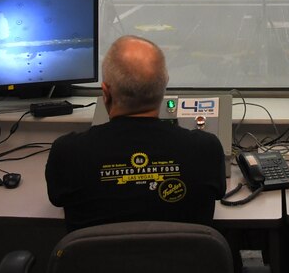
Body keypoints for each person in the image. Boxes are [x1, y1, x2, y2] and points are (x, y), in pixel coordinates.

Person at [45, 35, 226, 231]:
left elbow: (57, 199)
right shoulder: (206, 150)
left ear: (105, 92)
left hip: (98, 262)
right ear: (163, 87)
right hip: (180, 261)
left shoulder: (67, 153)